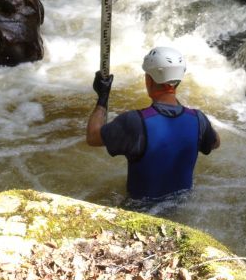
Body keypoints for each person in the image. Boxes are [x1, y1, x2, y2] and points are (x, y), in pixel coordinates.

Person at [86, 46, 220, 200]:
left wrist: (102, 98)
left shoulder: (135, 122)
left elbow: (92, 137)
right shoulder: (198, 120)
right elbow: (215, 143)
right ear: (177, 81)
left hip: (140, 210)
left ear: (148, 80)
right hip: (181, 205)